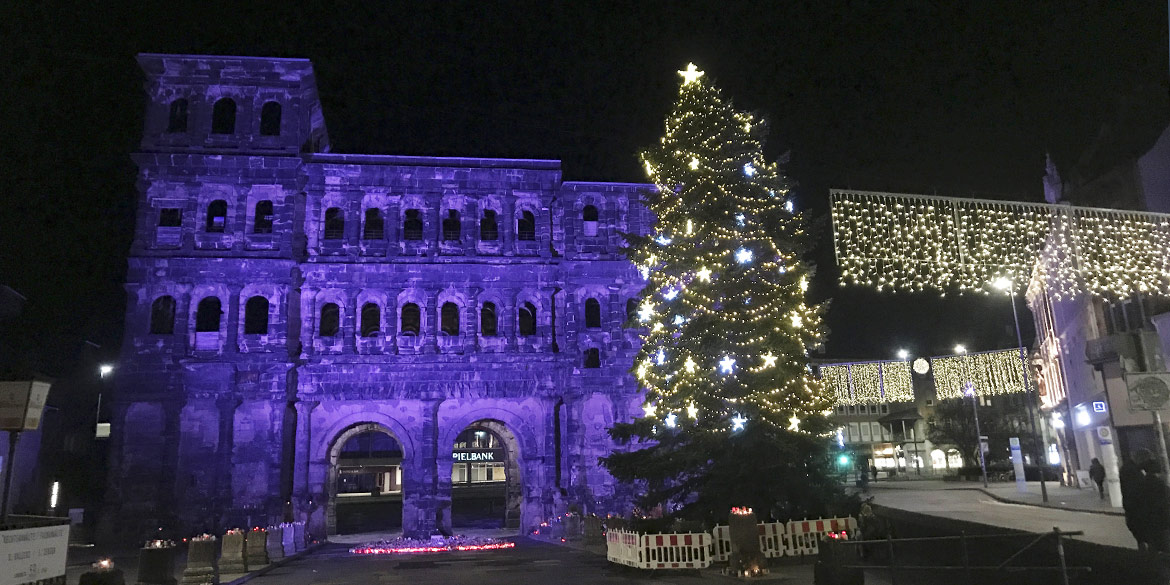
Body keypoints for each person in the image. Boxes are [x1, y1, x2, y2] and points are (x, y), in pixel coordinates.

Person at [1120, 450, 1151, 550]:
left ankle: (1144, 554)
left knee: (1141, 538)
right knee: (1144, 536)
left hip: (1133, 508)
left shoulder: (1129, 468)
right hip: (1137, 509)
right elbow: (1136, 491)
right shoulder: (1132, 471)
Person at [1142, 457, 1170, 553]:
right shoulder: (1160, 484)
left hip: (1149, 521)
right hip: (1163, 521)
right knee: (1166, 547)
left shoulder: (1141, 483)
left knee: (1153, 548)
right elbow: (1165, 503)